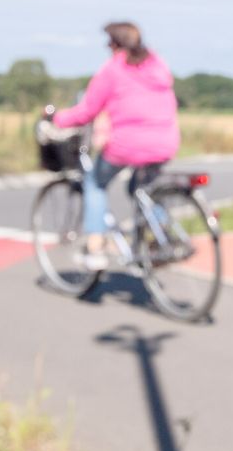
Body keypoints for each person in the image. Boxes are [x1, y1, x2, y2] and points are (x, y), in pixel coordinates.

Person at [50, 21, 179, 270]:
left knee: (95, 183)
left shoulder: (112, 70)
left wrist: (57, 119)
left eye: (108, 42)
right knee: (139, 189)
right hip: (165, 142)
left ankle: (96, 249)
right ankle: (162, 233)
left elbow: (87, 111)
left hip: (128, 144)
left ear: (115, 44)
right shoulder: (157, 64)